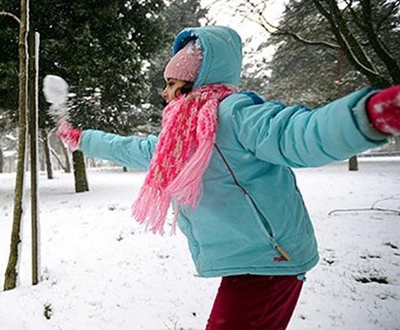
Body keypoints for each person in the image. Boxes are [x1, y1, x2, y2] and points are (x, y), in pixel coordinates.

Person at [56, 26, 400, 329]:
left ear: (195, 83)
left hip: (271, 259)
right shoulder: (180, 135)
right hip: (251, 261)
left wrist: (366, 116)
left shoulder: (236, 115)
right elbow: (134, 148)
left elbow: (296, 133)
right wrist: (84, 139)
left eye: (172, 84)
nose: (164, 93)